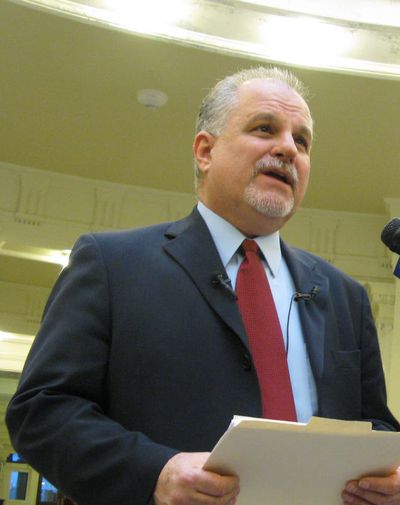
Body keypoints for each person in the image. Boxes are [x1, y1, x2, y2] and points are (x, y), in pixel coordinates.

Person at [5, 66, 400, 505]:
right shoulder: (112, 264)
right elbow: (42, 410)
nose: (288, 148)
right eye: (265, 128)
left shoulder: (345, 295)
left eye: (302, 141)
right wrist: (156, 473)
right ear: (205, 151)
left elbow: (376, 426)